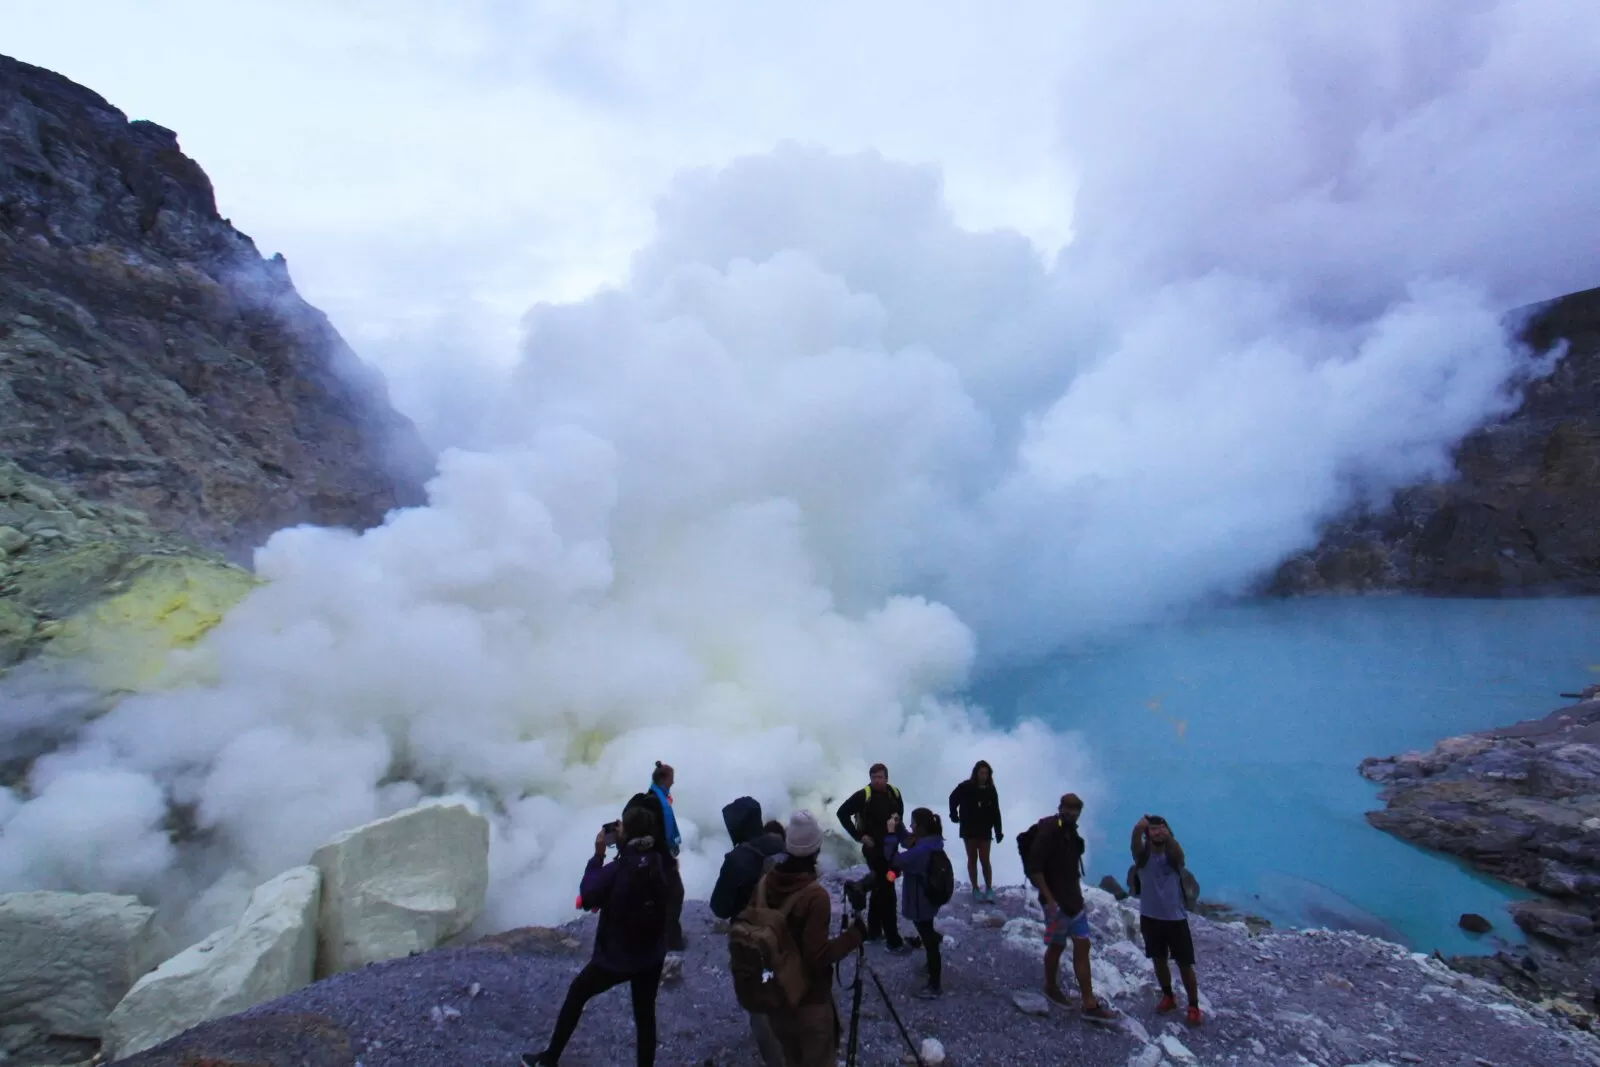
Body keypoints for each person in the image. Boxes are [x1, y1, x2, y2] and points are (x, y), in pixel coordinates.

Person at [522, 806, 668, 1067]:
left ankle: (549, 1059)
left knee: (578, 993)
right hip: (651, 954)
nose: (617, 828)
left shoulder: (617, 869)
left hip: (617, 956)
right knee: (645, 1014)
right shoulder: (658, 860)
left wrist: (598, 855)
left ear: (629, 832)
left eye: (621, 826)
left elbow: (587, 897)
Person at [762, 811, 866, 1067]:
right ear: (816, 849)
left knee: (791, 1059)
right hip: (808, 999)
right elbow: (817, 955)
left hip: (777, 995)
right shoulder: (814, 896)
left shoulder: (766, 882)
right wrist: (854, 935)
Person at [711, 796, 789, 1067]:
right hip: (788, 934)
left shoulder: (738, 859)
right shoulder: (785, 848)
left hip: (753, 942)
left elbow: (719, 907)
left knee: (760, 1001)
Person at [1027, 793, 1118, 1023]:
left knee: (1082, 945)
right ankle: (1050, 986)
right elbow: (1034, 868)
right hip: (1056, 904)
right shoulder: (1049, 831)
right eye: (1068, 808)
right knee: (1057, 947)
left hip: (1074, 902)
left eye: (1075, 809)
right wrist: (1050, 899)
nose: (1071, 812)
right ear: (1060, 808)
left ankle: (1089, 1003)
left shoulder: (1069, 833)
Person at [1132, 815, 1203, 1027]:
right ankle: (1168, 996)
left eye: (1161, 829)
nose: (1158, 833)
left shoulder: (1172, 856)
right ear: (1147, 834)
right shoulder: (1142, 857)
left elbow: (1180, 857)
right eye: (1153, 830)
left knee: (1184, 964)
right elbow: (1134, 844)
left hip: (1175, 917)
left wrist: (1168, 835)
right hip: (1150, 917)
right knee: (1159, 959)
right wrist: (1138, 829)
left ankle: (1193, 1006)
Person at [834, 763, 907, 951]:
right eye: (874, 777)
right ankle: (893, 941)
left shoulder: (894, 793)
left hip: (891, 848)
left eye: (880, 777)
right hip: (874, 850)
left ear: (887, 778)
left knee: (882, 886)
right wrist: (860, 837)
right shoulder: (863, 795)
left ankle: (874, 931)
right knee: (887, 891)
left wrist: (904, 837)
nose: (877, 780)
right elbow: (842, 813)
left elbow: (899, 817)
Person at [884, 807, 949, 999]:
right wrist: (900, 825)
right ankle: (931, 957)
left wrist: (890, 833)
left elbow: (894, 859)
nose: (911, 827)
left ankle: (934, 985)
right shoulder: (932, 841)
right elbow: (908, 840)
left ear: (920, 826)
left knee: (928, 938)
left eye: (912, 823)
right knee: (927, 930)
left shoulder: (922, 850)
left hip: (921, 901)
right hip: (929, 898)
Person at [626, 761, 687, 950]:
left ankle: (655, 937)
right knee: (674, 895)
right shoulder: (657, 803)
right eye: (671, 779)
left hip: (652, 858)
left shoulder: (651, 799)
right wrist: (669, 858)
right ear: (663, 779)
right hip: (659, 859)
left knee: (657, 897)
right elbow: (659, 835)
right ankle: (672, 941)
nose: (673, 782)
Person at [948, 760, 1003, 903]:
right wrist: (954, 815)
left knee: (985, 859)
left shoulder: (991, 789)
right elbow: (953, 798)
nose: (984, 776)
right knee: (972, 858)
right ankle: (975, 888)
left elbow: (996, 811)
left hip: (985, 829)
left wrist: (998, 831)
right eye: (981, 773)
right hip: (969, 828)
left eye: (986, 773)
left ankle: (989, 888)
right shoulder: (966, 787)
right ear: (976, 773)